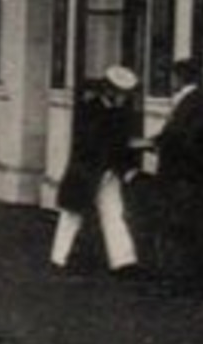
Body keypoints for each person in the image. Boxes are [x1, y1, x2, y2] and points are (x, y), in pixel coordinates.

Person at [50, 65, 143, 277]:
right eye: (120, 94)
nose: (123, 98)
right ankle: (59, 257)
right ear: (108, 90)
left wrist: (125, 164)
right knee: (72, 214)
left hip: (106, 171)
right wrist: (124, 157)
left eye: (125, 94)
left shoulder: (118, 112)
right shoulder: (89, 109)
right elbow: (96, 142)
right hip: (86, 169)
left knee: (114, 212)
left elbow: (118, 142)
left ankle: (123, 262)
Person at [146, 58, 203, 291]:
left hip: (183, 174)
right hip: (182, 173)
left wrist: (159, 143)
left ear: (180, 77)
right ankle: (174, 276)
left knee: (178, 224)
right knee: (176, 223)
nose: (172, 81)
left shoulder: (195, 103)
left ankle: (178, 279)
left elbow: (187, 138)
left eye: (174, 76)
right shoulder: (193, 101)